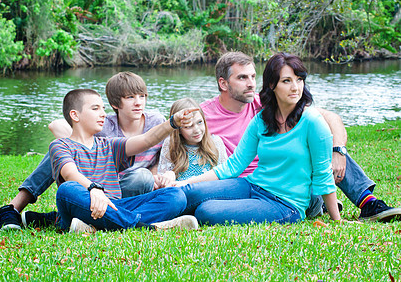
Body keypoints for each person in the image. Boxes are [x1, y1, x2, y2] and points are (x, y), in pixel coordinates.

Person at [181, 51, 401, 223]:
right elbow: (177, 146)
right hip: (244, 184)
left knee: (323, 147)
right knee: (199, 202)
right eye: (242, 78)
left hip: (289, 190)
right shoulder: (202, 115)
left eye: (253, 77)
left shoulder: (266, 103)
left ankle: (367, 201)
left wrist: (339, 149)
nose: (250, 84)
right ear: (223, 83)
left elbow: (331, 119)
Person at [176, 52, 341, 225]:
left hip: (285, 204)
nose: (295, 87)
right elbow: (234, 165)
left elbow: (323, 175)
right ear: (272, 84)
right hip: (253, 185)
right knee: (190, 192)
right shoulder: (261, 120)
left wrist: (336, 220)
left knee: (207, 211)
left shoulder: (313, 122)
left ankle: (177, 216)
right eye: (287, 81)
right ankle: (148, 217)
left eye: (299, 79)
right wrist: (184, 183)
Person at [0, 72, 166, 230]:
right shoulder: (104, 125)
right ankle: (13, 207)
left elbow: (160, 151)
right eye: (130, 97)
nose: (138, 102)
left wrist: (155, 172)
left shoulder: (156, 121)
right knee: (60, 149)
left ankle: (61, 218)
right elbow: (56, 125)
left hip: (128, 190)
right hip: (94, 186)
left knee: (144, 178)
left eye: (142, 96)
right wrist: (80, 144)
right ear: (115, 104)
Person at [50, 88, 198, 232]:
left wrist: (172, 122)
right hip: (84, 204)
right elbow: (70, 174)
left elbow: (147, 139)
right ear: (75, 115)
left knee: (175, 196)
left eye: (103, 108)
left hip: (115, 206)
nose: (103, 114)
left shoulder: (109, 144)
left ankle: (97, 226)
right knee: (67, 189)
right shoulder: (60, 145)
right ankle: (143, 227)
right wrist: (94, 189)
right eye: (95, 109)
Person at [157, 98, 227, 181]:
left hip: (209, 191)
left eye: (200, 122)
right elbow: (163, 178)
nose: (197, 130)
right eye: (189, 126)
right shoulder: (170, 144)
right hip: (181, 191)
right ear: (178, 129)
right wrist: (168, 176)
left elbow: (225, 175)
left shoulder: (216, 142)